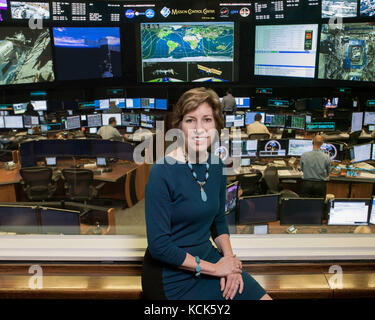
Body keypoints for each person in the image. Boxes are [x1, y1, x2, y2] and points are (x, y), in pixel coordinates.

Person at [142, 87, 271, 300]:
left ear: (216, 126)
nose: (199, 129)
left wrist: (230, 263)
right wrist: (215, 269)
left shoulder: (217, 165)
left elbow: (219, 221)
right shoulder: (162, 171)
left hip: (209, 256)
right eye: (190, 120)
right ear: (179, 126)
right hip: (172, 273)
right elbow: (159, 246)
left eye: (207, 120)